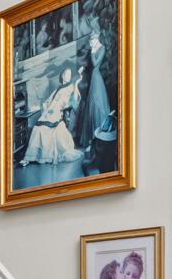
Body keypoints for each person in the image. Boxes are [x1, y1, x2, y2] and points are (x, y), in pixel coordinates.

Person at [22, 67, 82, 166]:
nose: (68, 76)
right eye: (67, 74)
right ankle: (31, 156)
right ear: (62, 75)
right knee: (37, 128)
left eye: (70, 75)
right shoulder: (58, 88)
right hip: (49, 112)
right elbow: (48, 101)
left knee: (46, 128)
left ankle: (45, 156)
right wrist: (43, 107)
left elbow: (74, 100)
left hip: (58, 112)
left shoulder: (71, 87)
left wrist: (76, 83)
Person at [81, 31, 117, 176]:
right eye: (90, 41)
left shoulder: (100, 48)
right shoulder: (95, 48)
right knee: (92, 106)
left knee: (98, 105)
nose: (90, 43)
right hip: (93, 79)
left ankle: (100, 142)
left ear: (96, 40)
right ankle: (94, 141)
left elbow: (96, 64)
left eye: (92, 41)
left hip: (97, 79)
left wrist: (92, 52)